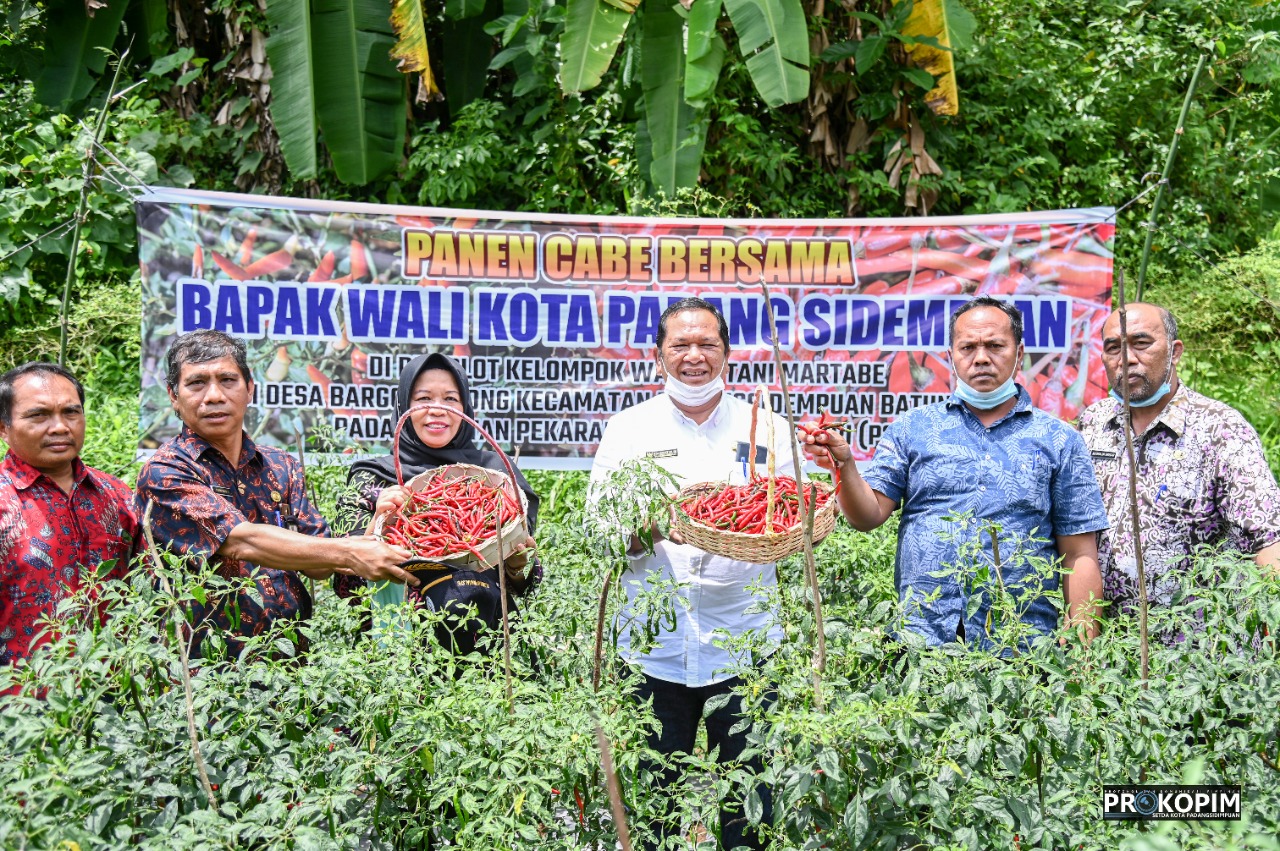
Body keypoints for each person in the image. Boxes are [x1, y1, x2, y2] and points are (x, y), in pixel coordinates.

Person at [590, 297, 791, 851]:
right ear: (658, 357)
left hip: (746, 644)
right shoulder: (629, 430)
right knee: (655, 808)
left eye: (707, 343)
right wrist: (652, 525)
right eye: (680, 344)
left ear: (727, 353)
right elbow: (600, 530)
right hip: (654, 647)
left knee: (749, 810)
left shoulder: (768, 427)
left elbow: (793, 515)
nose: (694, 356)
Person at [805, 295, 1108, 648]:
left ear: (1019, 353)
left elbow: (1079, 553)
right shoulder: (912, 428)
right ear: (951, 356)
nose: (981, 357)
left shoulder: (1059, 440)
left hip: (1022, 647)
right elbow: (867, 515)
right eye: (968, 347)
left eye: (995, 345)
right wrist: (843, 466)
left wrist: (1083, 657)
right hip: (922, 641)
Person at [134, 330, 419, 660]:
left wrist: (378, 525)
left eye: (227, 380)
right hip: (205, 678)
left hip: (291, 669)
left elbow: (320, 565)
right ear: (173, 395)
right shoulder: (165, 472)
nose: (213, 395)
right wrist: (349, 552)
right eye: (196, 383)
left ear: (250, 388)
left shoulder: (280, 465)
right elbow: (242, 541)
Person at [1077, 302, 1280, 619]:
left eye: (1141, 343)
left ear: (1175, 351)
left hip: (1194, 653)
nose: (1126, 359)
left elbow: (1268, 538)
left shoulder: (1220, 430)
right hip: (1110, 649)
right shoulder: (1094, 423)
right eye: (1114, 347)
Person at [332, 352, 540, 654]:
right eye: (424, 399)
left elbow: (528, 582)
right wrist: (376, 525)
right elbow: (342, 582)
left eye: (451, 399)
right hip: (402, 648)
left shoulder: (495, 477)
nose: (437, 410)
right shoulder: (373, 479)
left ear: (465, 407)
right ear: (405, 405)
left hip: (490, 648)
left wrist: (517, 566)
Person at [0, 362, 138, 673]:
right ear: (3, 428)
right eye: (39, 415)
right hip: (22, 702)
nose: (60, 427)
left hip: (116, 697)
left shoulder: (116, 495)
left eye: (71, 413)